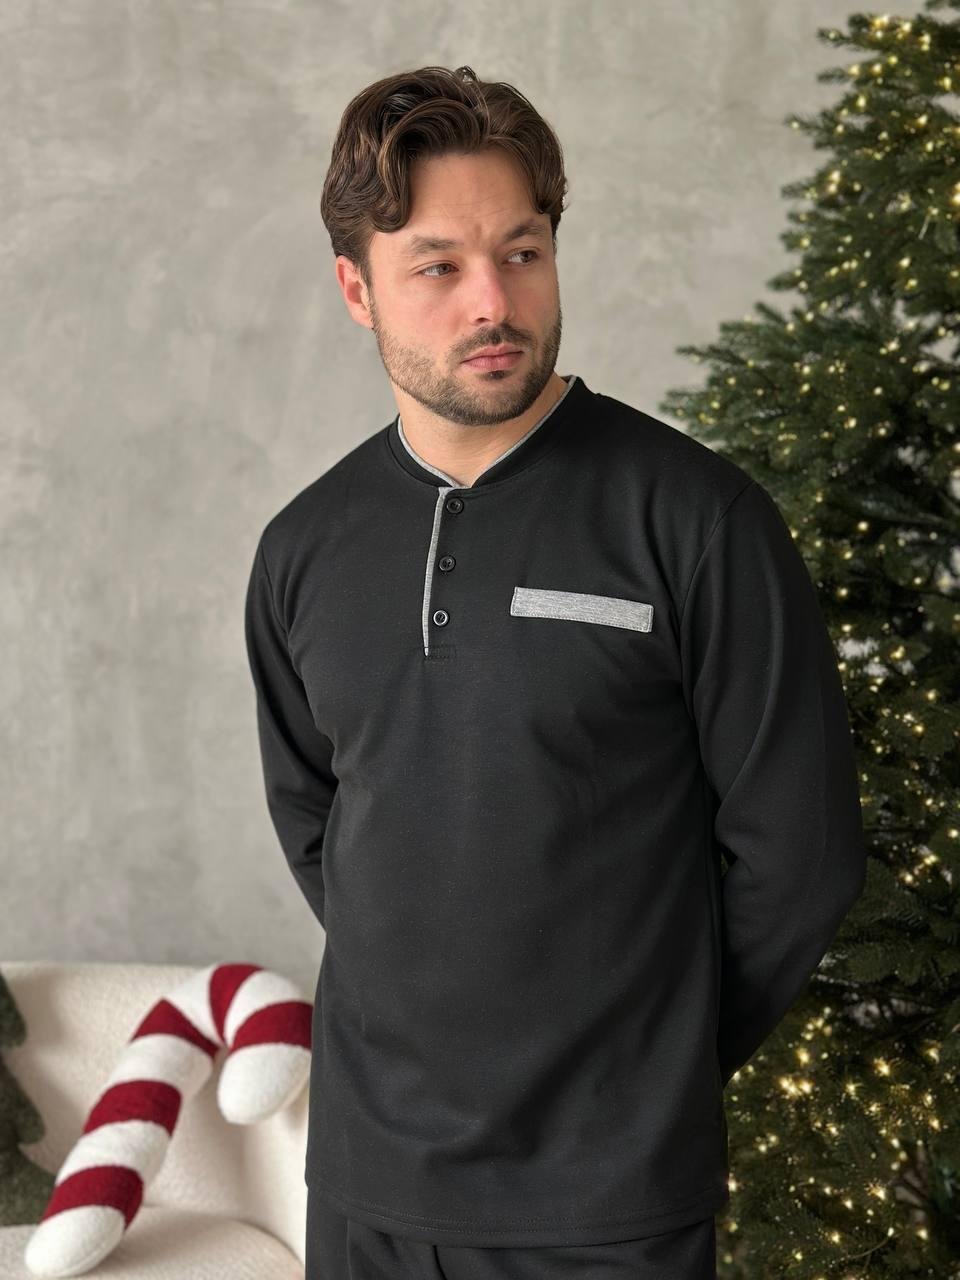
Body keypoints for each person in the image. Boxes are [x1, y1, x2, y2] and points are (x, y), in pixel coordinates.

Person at [244, 64, 866, 1279]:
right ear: (357, 290)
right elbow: (320, 827)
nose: (495, 300)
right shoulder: (303, 550)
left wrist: (649, 1061)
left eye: (521, 253)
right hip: (369, 1188)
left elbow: (800, 853)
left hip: (611, 1208)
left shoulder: (697, 522)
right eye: (439, 266)